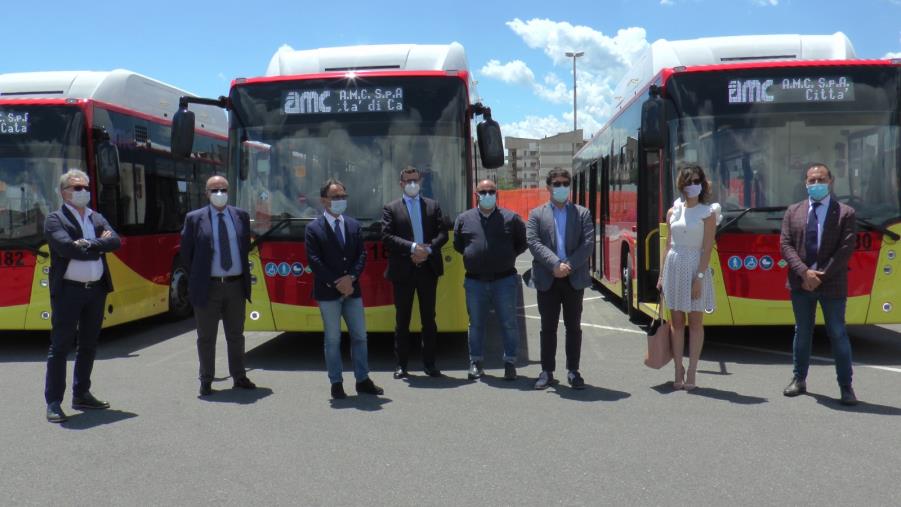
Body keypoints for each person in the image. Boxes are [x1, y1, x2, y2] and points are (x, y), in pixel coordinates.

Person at [43, 169, 121, 423]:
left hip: (95, 290)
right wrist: (97, 244)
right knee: (60, 347)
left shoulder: (96, 217)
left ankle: (82, 393)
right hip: (68, 291)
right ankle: (54, 402)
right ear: (64, 192)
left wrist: (88, 244)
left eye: (86, 187)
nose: (83, 191)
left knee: (88, 344)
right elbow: (67, 248)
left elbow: (116, 241)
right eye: (77, 188)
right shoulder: (55, 219)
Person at [780, 163, 858, 405]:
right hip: (801, 284)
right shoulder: (793, 211)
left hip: (832, 283)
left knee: (837, 333)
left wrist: (820, 276)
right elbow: (785, 245)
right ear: (805, 183)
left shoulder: (845, 213)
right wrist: (805, 273)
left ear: (831, 181)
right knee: (802, 332)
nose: (816, 184)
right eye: (811, 180)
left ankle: (846, 387)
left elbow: (845, 249)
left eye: (820, 179)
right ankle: (799, 379)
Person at [306, 178, 383, 400]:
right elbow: (314, 261)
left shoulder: (353, 224)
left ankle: (362, 379)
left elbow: (362, 255)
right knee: (332, 339)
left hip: (353, 291)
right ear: (324, 200)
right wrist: (337, 282)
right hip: (328, 292)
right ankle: (336, 383)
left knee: (360, 336)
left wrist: (350, 278)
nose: (340, 200)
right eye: (335, 197)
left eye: (343, 196)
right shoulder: (313, 228)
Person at [180, 175, 257, 397]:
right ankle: (206, 379)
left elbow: (245, 247)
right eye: (214, 190)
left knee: (236, 334)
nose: (219, 194)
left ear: (229, 191)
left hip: (235, 285)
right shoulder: (194, 218)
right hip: (208, 286)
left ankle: (239, 376)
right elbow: (187, 254)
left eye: (223, 189)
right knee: (206, 337)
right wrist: (200, 275)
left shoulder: (240, 216)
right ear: (206, 194)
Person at [526, 168, 595, 390]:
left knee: (574, 327)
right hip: (548, 277)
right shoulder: (537, 214)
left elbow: (588, 244)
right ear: (548, 187)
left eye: (565, 183)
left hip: (574, 278)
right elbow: (534, 243)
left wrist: (569, 265)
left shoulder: (582, 213)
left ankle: (573, 371)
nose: (562, 187)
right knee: (548, 327)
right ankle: (547, 371)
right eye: (557, 183)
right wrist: (555, 264)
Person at [454, 178, 527, 380]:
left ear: (497, 194)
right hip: (475, 281)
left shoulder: (511, 218)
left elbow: (521, 244)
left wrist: (504, 257)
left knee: (509, 323)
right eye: (483, 191)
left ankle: (510, 362)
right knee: (476, 324)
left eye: (491, 191)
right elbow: (459, 245)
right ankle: (475, 362)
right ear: (476, 195)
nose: (487, 195)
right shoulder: (464, 219)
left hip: (504, 281)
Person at [381, 166, 448, 379]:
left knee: (429, 319)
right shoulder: (390, 208)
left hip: (428, 269)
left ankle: (429, 364)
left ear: (420, 182)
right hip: (403, 270)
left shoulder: (432, 205)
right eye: (408, 181)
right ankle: (401, 365)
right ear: (401, 184)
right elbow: (387, 237)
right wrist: (412, 248)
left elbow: (442, 234)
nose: (412, 184)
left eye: (415, 180)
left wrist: (427, 251)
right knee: (402, 320)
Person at [657, 165, 720, 391]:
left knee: (695, 323)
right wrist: (662, 275)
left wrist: (700, 277)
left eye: (696, 181)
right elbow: (667, 245)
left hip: (696, 268)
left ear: (702, 184)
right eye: (688, 181)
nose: (692, 185)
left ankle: (692, 369)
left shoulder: (708, 213)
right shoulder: (673, 211)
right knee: (676, 323)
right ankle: (678, 368)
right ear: (681, 185)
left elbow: (707, 249)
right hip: (674, 267)